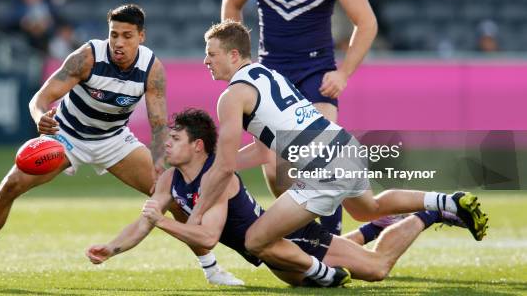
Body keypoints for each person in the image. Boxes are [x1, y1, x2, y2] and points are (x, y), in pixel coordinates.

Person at [0, 4, 241, 286]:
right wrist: (41, 117)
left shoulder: (152, 69)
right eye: (113, 35)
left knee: (171, 196)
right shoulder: (88, 57)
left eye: (127, 36)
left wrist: (160, 162)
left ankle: (212, 269)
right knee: (10, 185)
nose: (118, 43)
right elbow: (40, 99)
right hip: (66, 136)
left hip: (113, 140)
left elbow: (159, 125)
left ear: (141, 36)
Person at [189, 20, 488, 280]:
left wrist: (198, 211)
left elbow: (225, 166)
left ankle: (325, 275)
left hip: (322, 167)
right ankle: (446, 201)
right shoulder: (266, 74)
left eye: (211, 54)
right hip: (343, 145)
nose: (206, 61)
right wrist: (216, 166)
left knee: (254, 241)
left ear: (232, 54)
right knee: (367, 209)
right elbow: (261, 153)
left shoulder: (231, 97)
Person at [87, 108, 474, 287]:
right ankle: (373, 228)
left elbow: (205, 238)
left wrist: (163, 221)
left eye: (174, 139)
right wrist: (112, 248)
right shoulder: (170, 177)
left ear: (198, 146)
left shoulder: (215, 179)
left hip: (288, 242)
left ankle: (429, 215)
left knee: (376, 269)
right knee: (344, 247)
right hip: (271, 254)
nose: (165, 144)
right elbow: (144, 219)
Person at [220, 0, 377, 234]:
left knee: (322, 162)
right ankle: (315, 235)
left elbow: (366, 23)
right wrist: (238, 62)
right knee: (277, 175)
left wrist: (344, 73)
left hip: (315, 72)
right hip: (271, 74)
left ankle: (330, 242)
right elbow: (231, 4)